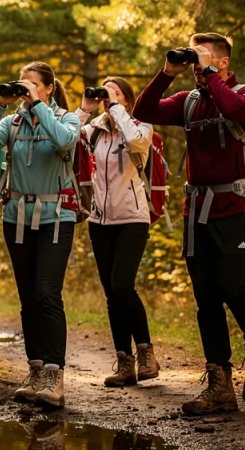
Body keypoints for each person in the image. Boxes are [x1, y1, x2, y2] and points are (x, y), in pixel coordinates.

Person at [133, 32, 245, 415]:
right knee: (206, 297)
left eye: (204, 56)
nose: (195, 64)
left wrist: (210, 72)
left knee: (234, 287)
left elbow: (232, 110)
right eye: (193, 56)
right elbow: (143, 111)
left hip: (238, 206)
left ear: (223, 62)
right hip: (197, 209)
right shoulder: (189, 101)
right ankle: (219, 384)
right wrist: (167, 73)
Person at [0, 61, 80, 409]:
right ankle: (35, 370)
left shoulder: (66, 118)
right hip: (16, 216)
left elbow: (64, 143)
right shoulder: (12, 122)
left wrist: (39, 106)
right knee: (28, 298)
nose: (25, 89)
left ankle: (54, 374)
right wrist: (0, 103)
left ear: (48, 88)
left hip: (55, 217)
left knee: (48, 293)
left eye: (33, 84)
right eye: (22, 84)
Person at [75, 76, 161, 388]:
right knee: (112, 294)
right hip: (99, 221)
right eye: (104, 94)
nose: (107, 99)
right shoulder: (93, 131)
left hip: (132, 219)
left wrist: (117, 110)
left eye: (114, 94)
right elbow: (67, 140)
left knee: (123, 285)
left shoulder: (140, 126)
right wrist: (85, 110)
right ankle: (124, 361)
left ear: (126, 99)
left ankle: (146, 353)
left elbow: (138, 143)